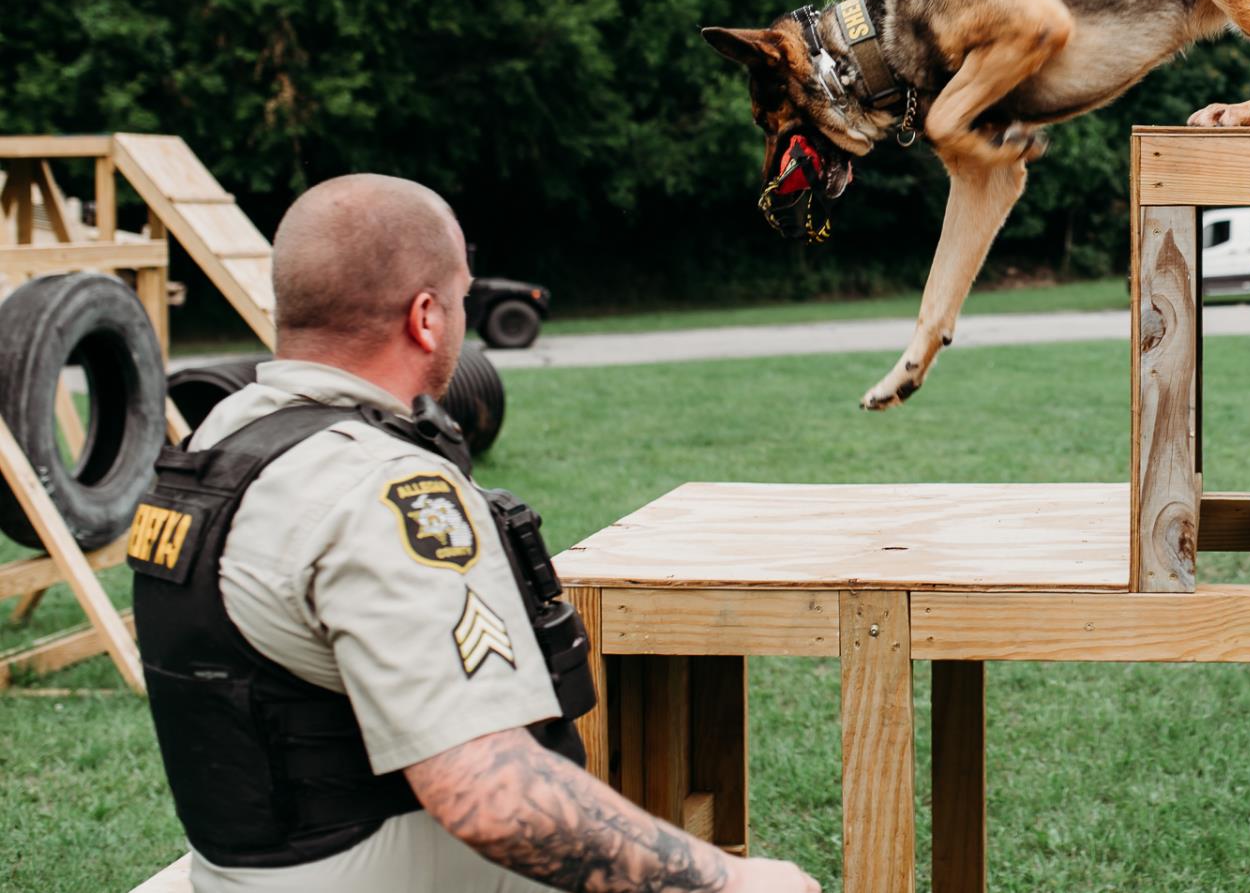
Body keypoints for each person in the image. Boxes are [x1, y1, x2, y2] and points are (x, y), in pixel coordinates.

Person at [128, 174, 819, 893]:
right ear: (426, 315)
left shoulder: (218, 439)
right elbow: (487, 797)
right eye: (460, 296)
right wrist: (730, 882)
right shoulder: (385, 488)